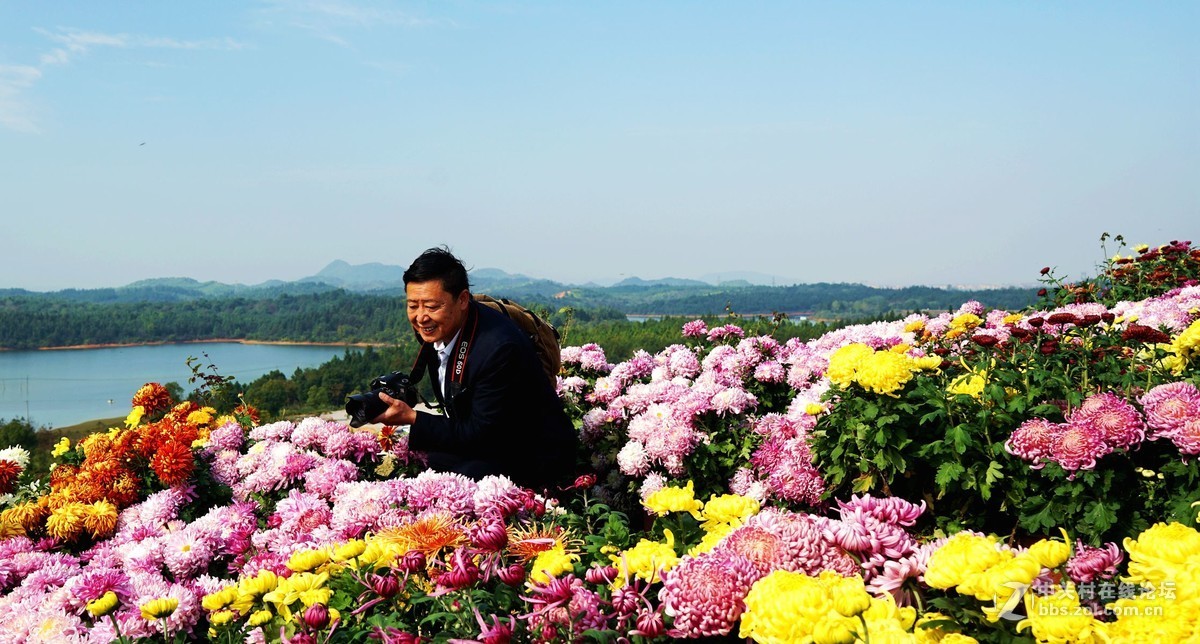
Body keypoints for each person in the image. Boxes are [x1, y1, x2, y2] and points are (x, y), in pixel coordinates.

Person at [371, 247, 579, 490]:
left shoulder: (498, 347)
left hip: (535, 453)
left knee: (454, 482)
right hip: (495, 441)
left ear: (462, 300)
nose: (420, 317)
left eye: (431, 306)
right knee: (426, 467)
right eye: (412, 305)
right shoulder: (447, 326)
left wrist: (412, 418)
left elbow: (483, 435)